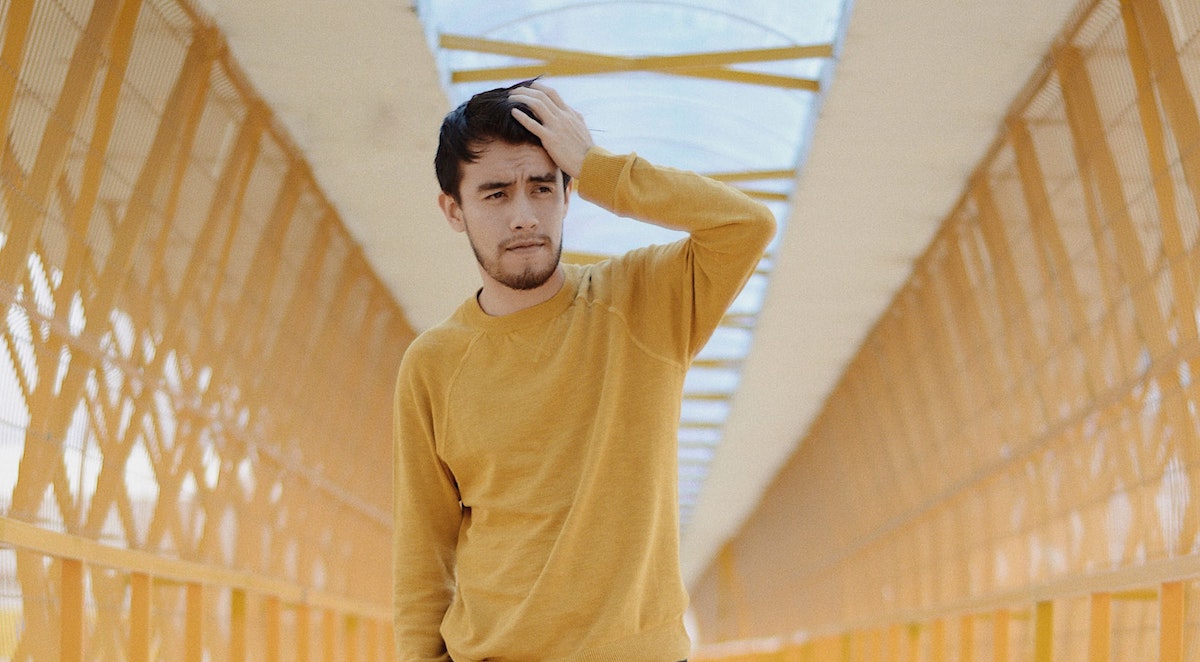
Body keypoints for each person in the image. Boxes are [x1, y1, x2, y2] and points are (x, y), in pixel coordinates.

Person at [393, 79, 776, 661]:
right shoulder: (433, 364)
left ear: (568, 194)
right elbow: (423, 553)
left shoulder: (644, 301)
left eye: (542, 187)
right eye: (496, 194)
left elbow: (746, 225)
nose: (524, 216)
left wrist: (597, 166)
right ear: (454, 210)